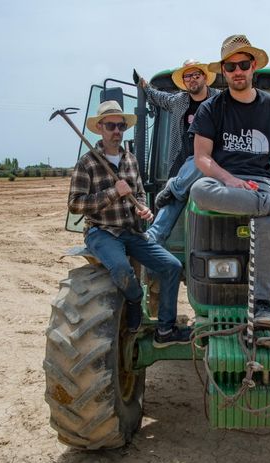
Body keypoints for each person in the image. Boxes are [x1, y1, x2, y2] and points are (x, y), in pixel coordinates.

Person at [188, 34, 270, 328]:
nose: (237, 71)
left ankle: (262, 305)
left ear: (253, 66)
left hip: (261, 181)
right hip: (224, 183)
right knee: (198, 189)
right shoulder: (212, 108)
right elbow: (202, 158)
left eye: (242, 64)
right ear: (223, 71)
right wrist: (228, 179)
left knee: (266, 221)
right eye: (230, 67)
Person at [68, 100, 191, 348]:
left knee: (172, 266)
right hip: (102, 232)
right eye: (111, 125)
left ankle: (165, 330)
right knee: (122, 269)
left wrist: (143, 208)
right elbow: (75, 204)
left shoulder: (131, 160)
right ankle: (135, 301)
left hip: (132, 231)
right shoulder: (88, 163)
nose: (116, 130)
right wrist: (113, 193)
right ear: (100, 128)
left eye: (120, 126)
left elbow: (139, 193)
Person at [138, 60, 221, 245]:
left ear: (205, 77)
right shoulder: (178, 101)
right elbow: (158, 97)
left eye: (196, 75)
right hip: (183, 164)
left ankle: (174, 187)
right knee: (172, 202)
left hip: (211, 165)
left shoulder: (219, 100)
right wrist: (145, 87)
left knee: (203, 161)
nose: (192, 79)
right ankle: (152, 240)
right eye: (187, 76)